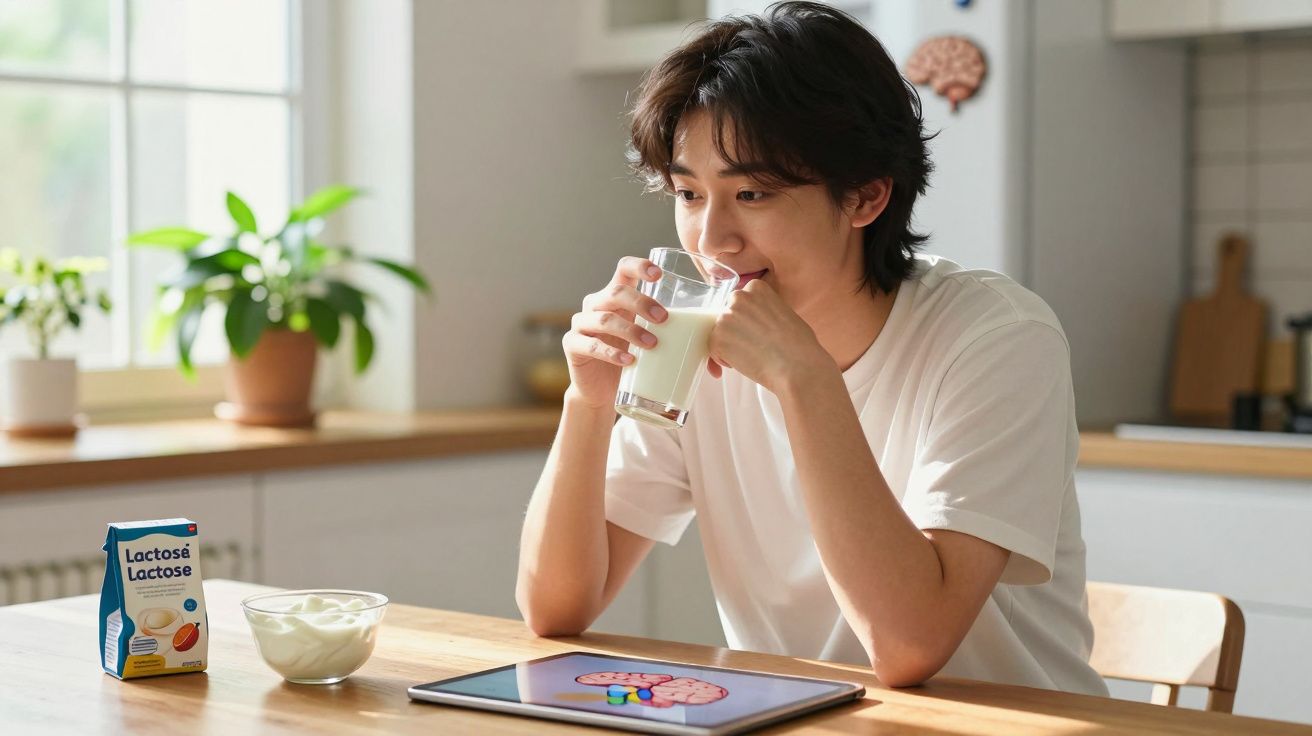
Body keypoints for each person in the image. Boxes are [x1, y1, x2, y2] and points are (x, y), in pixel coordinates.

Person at [516, 1, 1108, 695]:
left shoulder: (997, 338)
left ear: (864, 197)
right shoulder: (698, 343)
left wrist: (806, 380)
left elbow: (909, 645)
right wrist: (587, 400)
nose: (711, 240)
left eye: (754, 193)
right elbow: (555, 609)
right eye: (688, 192)